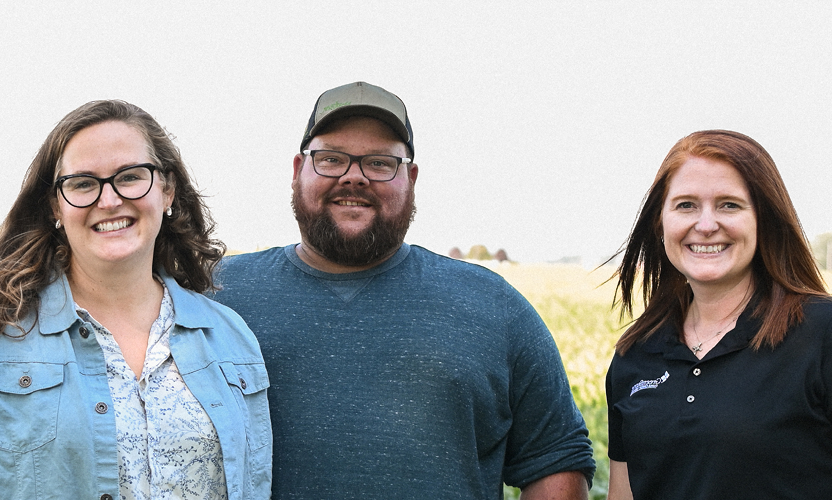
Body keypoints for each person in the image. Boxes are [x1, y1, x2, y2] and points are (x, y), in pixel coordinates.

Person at [210, 82, 595, 499]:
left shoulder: (493, 306)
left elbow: (556, 456)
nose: (353, 177)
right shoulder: (215, 297)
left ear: (410, 178)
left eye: (379, 163)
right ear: (297, 171)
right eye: (331, 159)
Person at [0, 100, 271, 500]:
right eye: (83, 183)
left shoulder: (231, 338)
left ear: (167, 191)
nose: (109, 200)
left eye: (130, 176)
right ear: (55, 206)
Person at [603, 130, 832, 499]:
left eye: (729, 205)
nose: (705, 225)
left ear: (764, 220)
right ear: (660, 221)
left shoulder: (827, 336)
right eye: (686, 205)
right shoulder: (635, 355)